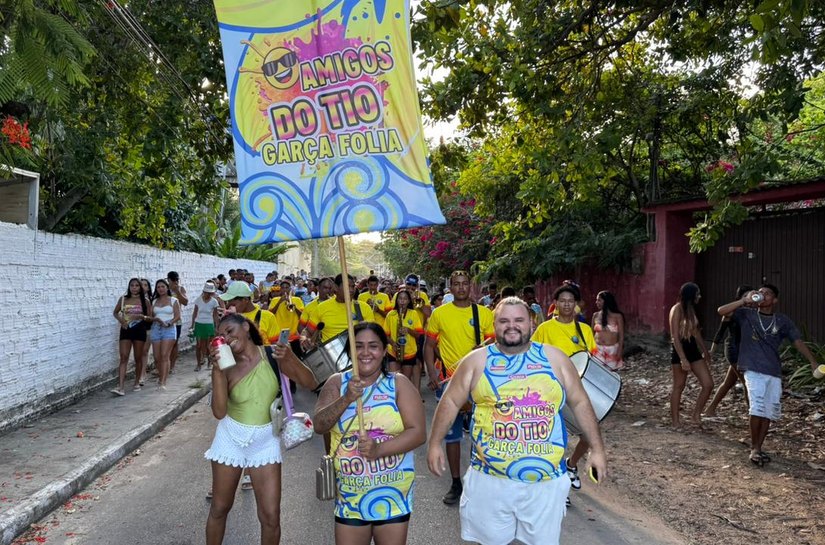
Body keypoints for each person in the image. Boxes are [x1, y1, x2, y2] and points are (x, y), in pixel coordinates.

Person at [427, 297, 608, 545]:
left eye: (519, 320)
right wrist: (435, 443)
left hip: (544, 483)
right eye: (504, 320)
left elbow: (580, 402)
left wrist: (597, 450)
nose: (512, 326)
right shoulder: (476, 361)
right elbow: (449, 402)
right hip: (490, 481)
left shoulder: (555, 359)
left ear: (531, 323)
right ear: (495, 324)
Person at [204, 313, 317, 545]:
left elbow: (310, 382)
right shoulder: (225, 366)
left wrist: (290, 359)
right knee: (220, 507)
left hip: (266, 441)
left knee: (270, 517)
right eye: (220, 336)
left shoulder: (273, 355)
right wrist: (216, 371)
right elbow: (219, 412)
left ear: (245, 327)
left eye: (229, 331)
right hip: (230, 437)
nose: (225, 338)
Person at [313, 322, 426, 544]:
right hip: (350, 495)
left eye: (373, 346)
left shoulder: (398, 383)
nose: (365, 352)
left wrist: (379, 449)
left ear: (384, 351)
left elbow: (418, 432)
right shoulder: (336, 382)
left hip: (392, 492)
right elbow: (320, 425)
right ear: (350, 351)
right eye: (358, 346)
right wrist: (346, 398)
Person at [717, 284, 819, 466]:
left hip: (773, 370)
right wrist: (743, 300)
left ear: (775, 300)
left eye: (767, 293)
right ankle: (754, 449)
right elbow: (722, 311)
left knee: (769, 410)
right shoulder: (746, 314)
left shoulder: (782, 320)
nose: (762, 295)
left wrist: (812, 361)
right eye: (760, 292)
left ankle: (758, 446)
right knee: (756, 407)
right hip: (751, 368)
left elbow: (797, 341)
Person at [424, 270, 495, 505]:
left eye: (465, 284)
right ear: (450, 288)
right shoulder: (439, 314)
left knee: (483, 433)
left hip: (479, 382)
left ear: (470, 287)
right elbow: (429, 344)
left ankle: (483, 481)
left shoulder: (484, 313)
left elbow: (494, 344)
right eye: (457, 284)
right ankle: (456, 482)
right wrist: (433, 373)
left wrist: (484, 348)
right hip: (449, 381)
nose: (461, 288)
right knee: (452, 436)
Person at [531, 284, 597, 503]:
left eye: (571, 300)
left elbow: (591, 360)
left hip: (578, 392)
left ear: (576, 304)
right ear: (555, 304)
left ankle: (571, 465)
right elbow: (534, 358)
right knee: (559, 439)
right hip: (552, 392)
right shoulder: (545, 329)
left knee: (589, 434)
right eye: (563, 300)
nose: (567, 304)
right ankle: (561, 490)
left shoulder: (584, 330)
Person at [668, 282, 714, 428]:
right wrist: (683, 359)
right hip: (679, 350)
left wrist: (705, 351)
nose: (699, 297)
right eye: (697, 294)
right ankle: (675, 421)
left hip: (693, 350)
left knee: (708, 384)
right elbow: (675, 336)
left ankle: (696, 415)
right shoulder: (676, 309)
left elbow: (695, 332)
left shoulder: (691, 310)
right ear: (691, 295)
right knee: (679, 386)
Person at [705, 285, 752, 417]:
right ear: (739, 298)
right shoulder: (732, 312)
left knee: (728, 383)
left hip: (746, 352)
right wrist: (711, 351)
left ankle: (710, 410)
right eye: (745, 296)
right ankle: (753, 415)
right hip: (734, 350)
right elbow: (720, 332)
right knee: (748, 384)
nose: (748, 299)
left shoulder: (752, 313)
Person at [302, 274, 375, 348]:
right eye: (347, 287)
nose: (351, 290)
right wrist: (304, 338)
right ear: (335, 288)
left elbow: (372, 334)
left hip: (357, 353)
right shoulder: (321, 308)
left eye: (353, 286)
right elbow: (308, 331)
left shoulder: (364, 307)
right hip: (330, 354)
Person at [111, 278, 152, 395]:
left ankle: (137, 382)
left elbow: (150, 317)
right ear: (129, 287)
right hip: (126, 330)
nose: (134, 288)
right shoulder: (123, 299)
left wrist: (141, 317)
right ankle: (120, 387)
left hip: (139, 330)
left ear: (140, 287)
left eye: (136, 286)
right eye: (132, 285)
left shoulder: (145, 301)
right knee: (123, 357)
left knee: (138, 357)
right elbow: (115, 312)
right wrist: (121, 320)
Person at [220, 281, 280, 346]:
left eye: (233, 304)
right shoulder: (231, 319)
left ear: (245, 300)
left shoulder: (268, 316)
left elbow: (276, 344)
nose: (229, 307)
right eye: (228, 303)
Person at [384, 289, 424, 379]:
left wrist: (409, 330)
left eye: (405, 299)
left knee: (405, 380)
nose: (402, 301)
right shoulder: (391, 314)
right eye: (400, 299)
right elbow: (385, 335)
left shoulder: (413, 314)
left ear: (409, 301)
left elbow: (419, 335)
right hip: (393, 352)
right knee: (393, 380)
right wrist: (393, 343)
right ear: (396, 300)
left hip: (409, 352)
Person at [151, 279, 181, 390]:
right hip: (156, 328)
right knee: (157, 357)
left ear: (167, 287)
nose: (160, 289)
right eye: (158, 287)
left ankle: (163, 381)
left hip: (169, 328)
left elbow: (178, 316)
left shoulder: (174, 300)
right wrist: (157, 319)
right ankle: (161, 377)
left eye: (162, 286)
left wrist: (169, 323)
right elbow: (151, 316)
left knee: (164, 355)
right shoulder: (154, 301)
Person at [191, 281, 221, 371]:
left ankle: (209, 362)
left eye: (210, 293)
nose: (208, 294)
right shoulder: (198, 300)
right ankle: (198, 364)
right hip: (199, 323)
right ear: (204, 291)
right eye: (207, 292)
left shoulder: (214, 302)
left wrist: (216, 326)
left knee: (209, 345)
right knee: (198, 345)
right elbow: (195, 313)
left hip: (209, 324)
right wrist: (192, 325)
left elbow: (215, 315)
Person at [592, 291, 625, 371]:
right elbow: (591, 333)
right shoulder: (595, 315)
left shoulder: (617, 316)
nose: (596, 302)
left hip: (612, 350)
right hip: (597, 349)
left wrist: (619, 352)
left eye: (599, 300)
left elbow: (621, 336)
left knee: (611, 373)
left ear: (606, 301)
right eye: (597, 300)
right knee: (597, 372)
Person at [167, 271, 189, 374]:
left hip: (177, 320)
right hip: (165, 319)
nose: (175, 282)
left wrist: (178, 292)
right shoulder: (165, 289)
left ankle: (172, 366)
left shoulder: (180, 289)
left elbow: (185, 302)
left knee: (174, 343)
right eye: (173, 280)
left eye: (176, 280)